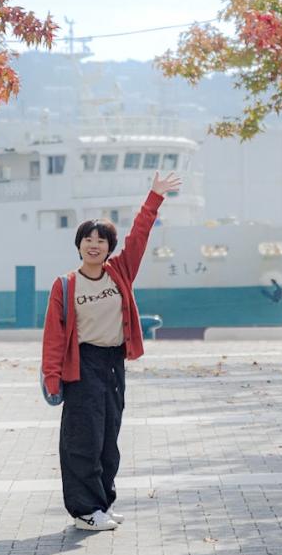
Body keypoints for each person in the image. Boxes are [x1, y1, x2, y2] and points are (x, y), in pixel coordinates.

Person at [40, 172, 181, 532]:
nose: (94, 245)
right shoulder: (66, 285)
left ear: (109, 247)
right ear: (79, 245)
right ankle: (85, 510)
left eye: (101, 240)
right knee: (83, 438)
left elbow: (140, 237)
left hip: (113, 363)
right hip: (82, 365)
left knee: (108, 438)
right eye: (88, 239)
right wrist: (52, 378)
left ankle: (102, 502)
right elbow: (54, 336)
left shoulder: (119, 272)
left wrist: (154, 197)